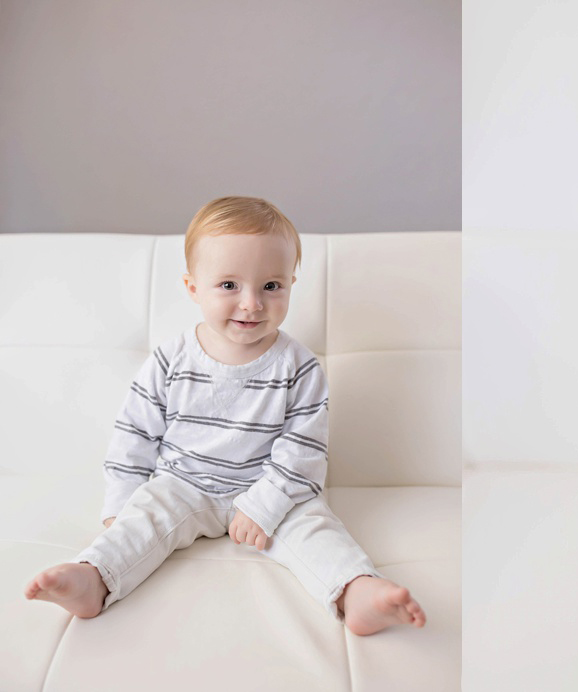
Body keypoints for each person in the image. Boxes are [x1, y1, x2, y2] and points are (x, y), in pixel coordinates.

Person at [24, 196, 426, 636]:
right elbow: (134, 432)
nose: (252, 303)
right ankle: (92, 578)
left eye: (271, 286)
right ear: (194, 287)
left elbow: (303, 451)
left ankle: (356, 590)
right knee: (143, 520)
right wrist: (122, 502)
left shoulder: (300, 366)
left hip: (271, 489)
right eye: (229, 286)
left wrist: (265, 505)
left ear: (291, 283)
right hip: (183, 482)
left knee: (316, 528)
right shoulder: (171, 359)